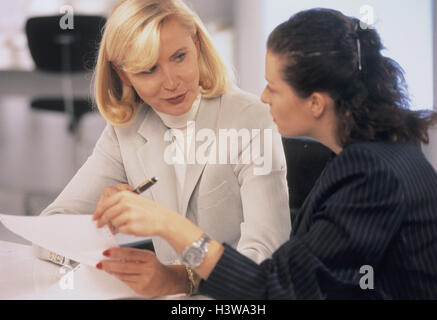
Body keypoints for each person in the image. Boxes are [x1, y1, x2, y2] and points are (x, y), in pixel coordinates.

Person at [94, 8, 437, 299]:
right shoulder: (384, 151)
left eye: (274, 87)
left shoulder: (369, 173)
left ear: (316, 103)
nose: (262, 97)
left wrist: (169, 225)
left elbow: (272, 290)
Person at [34, 0, 291, 297]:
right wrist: (99, 228)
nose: (171, 82)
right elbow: (49, 230)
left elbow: (265, 258)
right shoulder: (125, 130)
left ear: (196, 45)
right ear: (123, 75)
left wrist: (182, 277)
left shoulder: (251, 117)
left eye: (179, 56)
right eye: (148, 69)